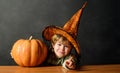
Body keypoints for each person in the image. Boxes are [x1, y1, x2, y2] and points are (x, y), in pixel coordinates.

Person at [42, 2, 87, 70]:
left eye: (66, 46)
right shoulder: (46, 53)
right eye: (59, 44)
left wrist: (69, 63)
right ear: (53, 45)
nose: (62, 49)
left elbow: (71, 60)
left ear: (71, 48)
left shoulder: (68, 57)